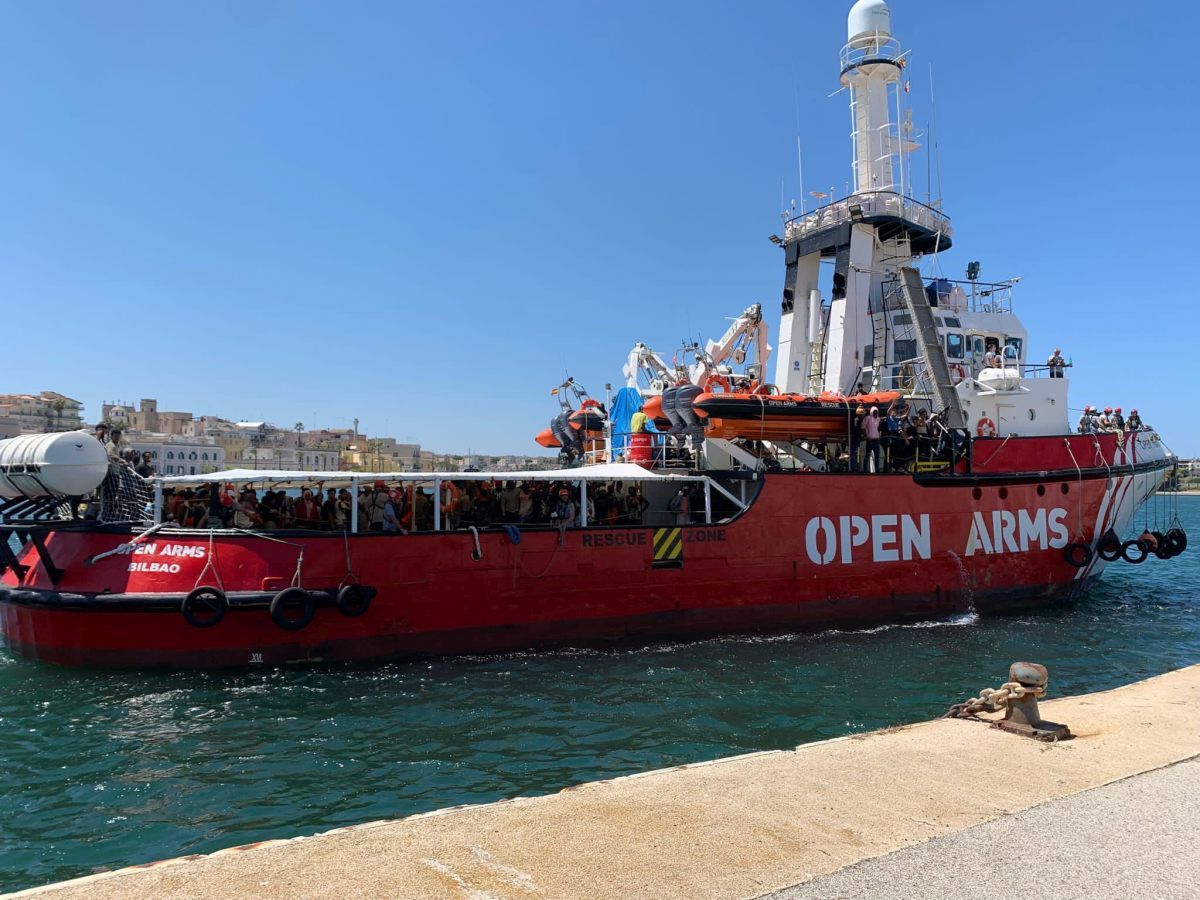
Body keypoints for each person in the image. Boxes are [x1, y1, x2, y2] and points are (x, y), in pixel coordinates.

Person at [862, 406, 884, 473]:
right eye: (874, 412)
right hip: (870, 440)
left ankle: (877, 471)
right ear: (871, 412)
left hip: (876, 440)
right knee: (867, 455)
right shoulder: (867, 418)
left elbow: (879, 428)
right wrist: (866, 435)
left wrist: (880, 434)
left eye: (876, 412)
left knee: (877, 456)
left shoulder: (878, 419)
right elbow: (863, 427)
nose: (875, 413)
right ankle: (865, 470)